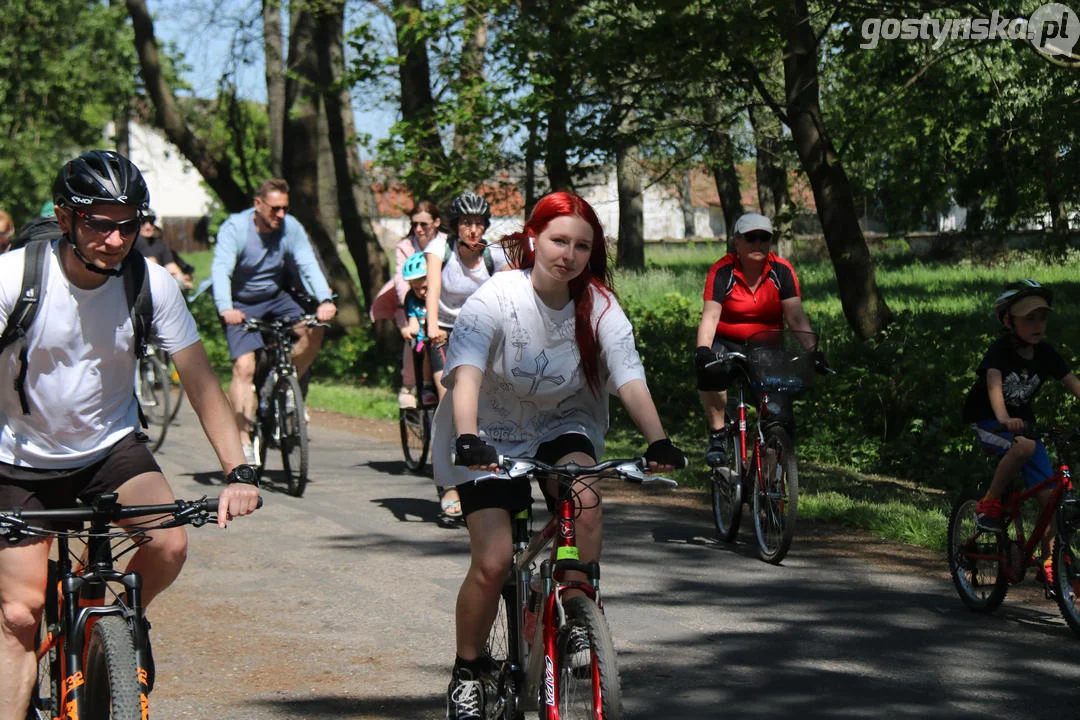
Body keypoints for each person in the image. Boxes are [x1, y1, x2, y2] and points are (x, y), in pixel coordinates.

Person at [0, 150, 260, 719]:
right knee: (20, 613)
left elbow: (199, 380)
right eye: (99, 222)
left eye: (128, 223)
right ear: (65, 218)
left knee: (168, 543)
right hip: (19, 460)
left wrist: (238, 471)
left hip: (110, 448)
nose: (116, 239)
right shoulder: (13, 278)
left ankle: (110, 632)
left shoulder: (150, 284)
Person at [430, 191, 686, 720]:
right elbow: (468, 369)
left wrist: (657, 440)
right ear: (533, 239)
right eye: (558, 240)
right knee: (496, 559)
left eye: (582, 246)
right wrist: (468, 436)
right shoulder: (499, 294)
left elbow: (629, 376)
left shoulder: (600, 306)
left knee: (586, 498)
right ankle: (467, 670)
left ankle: (576, 610)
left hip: (563, 422)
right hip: (487, 429)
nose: (568, 254)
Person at [211, 178, 338, 465]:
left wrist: (324, 300)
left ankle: (286, 382)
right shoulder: (235, 228)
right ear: (258, 204)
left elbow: (308, 263)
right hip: (241, 303)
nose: (281, 215)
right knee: (244, 367)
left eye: (285, 208)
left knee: (314, 328)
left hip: (276, 298)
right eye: (275, 209)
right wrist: (225, 307)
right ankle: (243, 442)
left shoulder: (290, 228)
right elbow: (221, 269)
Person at [961, 280, 1080, 580]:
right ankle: (988, 502)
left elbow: (1073, 383)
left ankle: (1051, 563)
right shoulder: (1000, 351)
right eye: (1029, 318)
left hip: (1024, 428)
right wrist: (1003, 418)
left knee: (1049, 499)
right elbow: (993, 383)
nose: (1038, 324)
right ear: (1007, 320)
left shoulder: (1046, 353)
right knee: (1025, 447)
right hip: (989, 422)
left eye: (1042, 317)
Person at [693, 212, 820, 466]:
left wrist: (813, 351)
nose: (758, 243)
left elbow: (795, 317)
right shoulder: (722, 271)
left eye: (764, 238)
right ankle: (718, 434)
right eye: (751, 238)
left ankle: (769, 485)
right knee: (709, 371)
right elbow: (711, 316)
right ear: (737, 242)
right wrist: (703, 350)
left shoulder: (781, 271)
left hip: (767, 347)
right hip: (727, 342)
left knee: (778, 416)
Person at [424, 192, 509, 518]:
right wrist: (432, 326)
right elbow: (433, 292)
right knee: (449, 403)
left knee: (487, 404)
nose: (473, 230)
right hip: (444, 332)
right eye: (466, 223)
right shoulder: (439, 250)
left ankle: (484, 473)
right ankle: (447, 486)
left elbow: (507, 296)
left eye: (478, 223)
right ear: (455, 226)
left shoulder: (495, 255)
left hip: (480, 335)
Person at [394, 200, 446, 407]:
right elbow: (400, 280)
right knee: (413, 335)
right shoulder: (405, 246)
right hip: (412, 297)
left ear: (436, 223)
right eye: (414, 224)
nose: (418, 229)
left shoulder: (446, 243)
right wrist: (414, 297)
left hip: (442, 299)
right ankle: (410, 384)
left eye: (424, 224)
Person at [400, 251, 438, 407]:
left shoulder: (440, 296)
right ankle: (427, 387)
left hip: (444, 337)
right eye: (416, 289)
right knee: (430, 350)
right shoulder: (413, 301)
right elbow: (413, 322)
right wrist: (408, 329)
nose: (421, 293)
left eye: (424, 287)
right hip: (426, 341)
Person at [135, 209, 193, 289]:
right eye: (143, 222)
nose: (148, 226)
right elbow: (152, 266)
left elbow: (171, 266)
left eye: (151, 222)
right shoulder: (135, 241)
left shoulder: (160, 244)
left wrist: (182, 280)